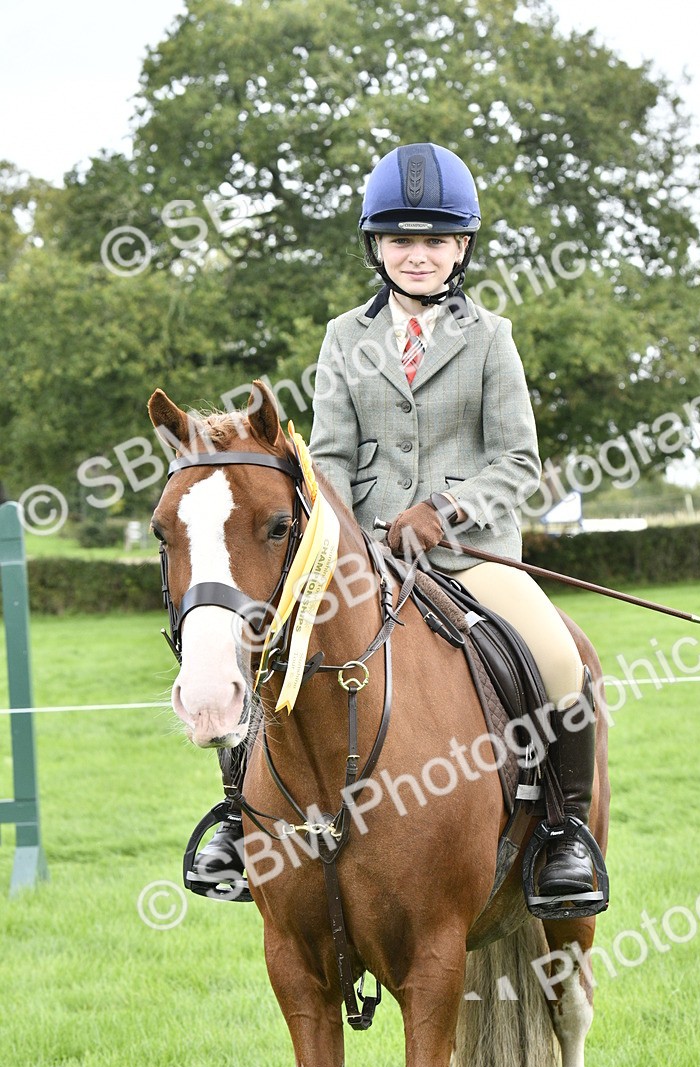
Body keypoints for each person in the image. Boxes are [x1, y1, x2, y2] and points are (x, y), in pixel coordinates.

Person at [196, 142, 596, 899]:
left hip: (473, 560)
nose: (419, 255)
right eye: (403, 240)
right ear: (378, 247)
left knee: (558, 662)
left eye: (435, 240)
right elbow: (333, 455)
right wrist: (346, 535)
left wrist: (443, 511)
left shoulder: (492, 338)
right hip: (361, 557)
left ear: (462, 248)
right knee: (260, 648)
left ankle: (563, 834)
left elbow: (517, 462)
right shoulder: (345, 337)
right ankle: (235, 826)